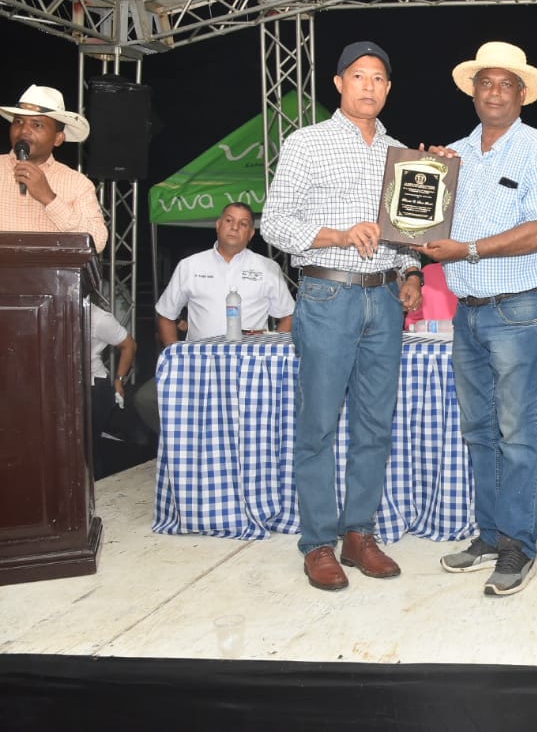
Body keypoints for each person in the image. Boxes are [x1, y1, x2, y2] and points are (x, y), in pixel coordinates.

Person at [261, 40, 424, 592]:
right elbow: (275, 223)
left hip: (383, 299)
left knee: (376, 424)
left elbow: (406, 237)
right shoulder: (307, 142)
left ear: (389, 88)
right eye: (359, 76)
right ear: (338, 83)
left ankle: (359, 534)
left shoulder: (401, 153)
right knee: (320, 424)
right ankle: (317, 543)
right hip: (328, 294)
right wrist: (337, 234)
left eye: (379, 78)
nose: (369, 86)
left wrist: (411, 274)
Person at [425, 42, 537, 597]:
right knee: (480, 432)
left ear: (522, 94)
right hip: (468, 313)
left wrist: (470, 251)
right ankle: (489, 534)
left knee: (516, 434)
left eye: (505, 84)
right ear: (472, 90)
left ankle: (517, 546)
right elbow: (425, 226)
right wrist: (424, 178)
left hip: (518, 309)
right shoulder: (453, 155)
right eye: (484, 82)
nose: (493, 92)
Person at [135, 201, 295, 434]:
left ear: (251, 234)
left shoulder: (268, 268)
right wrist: (175, 356)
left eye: (243, 224)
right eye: (229, 220)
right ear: (218, 225)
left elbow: (288, 315)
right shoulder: (190, 266)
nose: (234, 227)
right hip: (197, 364)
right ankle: (183, 445)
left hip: (249, 367)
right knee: (146, 399)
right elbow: (166, 314)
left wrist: (271, 355)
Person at [2, 84, 108, 252]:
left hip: (48, 278)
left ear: (58, 138)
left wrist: (49, 198)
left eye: (36, 125)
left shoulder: (77, 183)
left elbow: (98, 241)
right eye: (18, 121)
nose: (24, 130)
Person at [89, 302, 136, 479]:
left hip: (94, 387)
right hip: (65, 386)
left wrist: (119, 380)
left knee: (87, 450)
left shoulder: (99, 318)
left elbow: (129, 345)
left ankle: (95, 496)